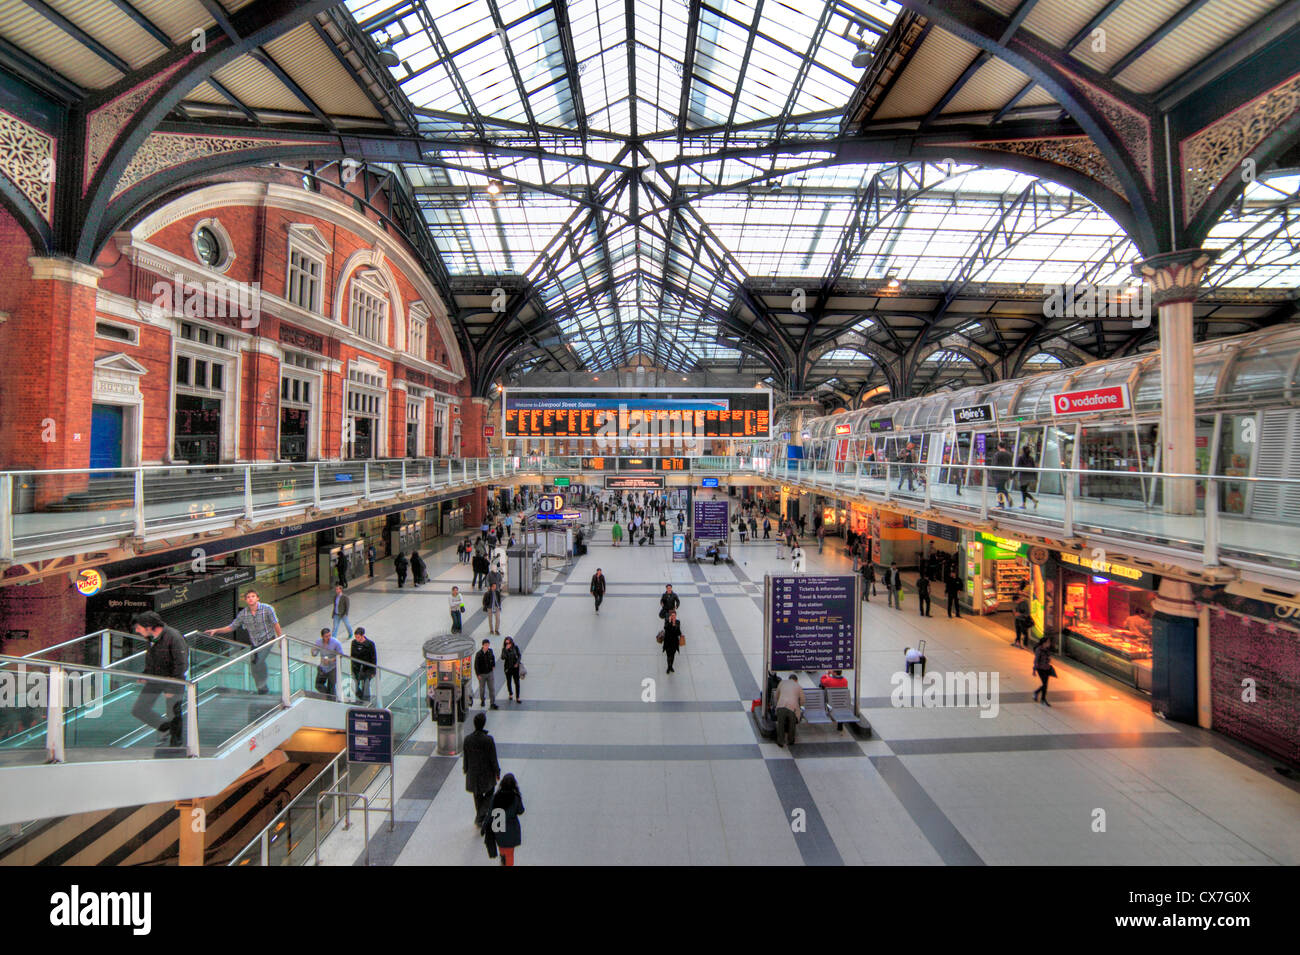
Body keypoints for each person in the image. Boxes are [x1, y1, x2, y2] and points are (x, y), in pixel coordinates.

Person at [205, 590, 282, 694]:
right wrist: (216, 630)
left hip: (268, 639)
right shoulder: (243, 614)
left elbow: (275, 624)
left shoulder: (267, 609)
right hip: (255, 642)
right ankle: (261, 688)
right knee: (254, 665)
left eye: (253, 596)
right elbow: (231, 627)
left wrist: (280, 639)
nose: (251, 598)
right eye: (248, 597)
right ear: (245, 600)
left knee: (259, 661)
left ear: (257, 598)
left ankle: (263, 686)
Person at [129, 611, 188, 747]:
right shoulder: (150, 638)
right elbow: (152, 659)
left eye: (139, 628)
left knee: (173, 712)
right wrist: (145, 674)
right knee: (139, 709)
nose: (137, 631)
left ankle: (176, 744)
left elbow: (181, 664)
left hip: (173, 681)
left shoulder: (173, 636)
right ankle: (165, 727)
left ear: (149, 626)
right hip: (155, 679)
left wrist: (172, 687)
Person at [463, 711, 500, 826]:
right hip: (486, 773)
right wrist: (497, 771)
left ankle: (480, 816)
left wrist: (466, 768)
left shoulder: (468, 739)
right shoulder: (488, 740)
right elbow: (493, 758)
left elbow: (466, 756)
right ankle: (480, 816)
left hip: (473, 773)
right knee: (490, 792)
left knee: (477, 794)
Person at [485, 773, 525, 866]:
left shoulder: (496, 797)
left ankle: (503, 863)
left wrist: (485, 826)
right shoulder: (515, 798)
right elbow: (521, 811)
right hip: (511, 830)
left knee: (503, 852)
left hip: (498, 829)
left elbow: (490, 812)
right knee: (510, 854)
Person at [311, 627, 344, 700]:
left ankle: (332, 699)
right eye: (326, 636)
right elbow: (314, 653)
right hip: (323, 667)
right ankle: (329, 697)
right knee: (318, 685)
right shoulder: (319, 642)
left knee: (331, 686)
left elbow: (341, 655)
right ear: (322, 637)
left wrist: (330, 660)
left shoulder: (335, 642)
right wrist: (313, 651)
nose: (328, 638)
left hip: (333, 667)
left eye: (329, 635)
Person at [773, 674, 804, 747]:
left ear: (789, 678)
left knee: (780, 724)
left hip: (781, 705)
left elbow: (776, 696)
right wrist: (799, 705)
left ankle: (780, 741)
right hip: (793, 707)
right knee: (792, 724)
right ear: (796, 680)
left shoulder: (782, 683)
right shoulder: (798, 686)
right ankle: (791, 740)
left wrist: (778, 703)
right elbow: (802, 700)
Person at [350, 627, 377, 703]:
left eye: (358, 637)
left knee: (366, 686)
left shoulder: (370, 644)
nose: (357, 639)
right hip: (357, 668)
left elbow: (373, 658)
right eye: (356, 637)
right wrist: (352, 669)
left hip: (367, 669)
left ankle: (366, 701)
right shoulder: (354, 643)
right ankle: (362, 698)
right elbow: (352, 657)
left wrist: (373, 671)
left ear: (362, 636)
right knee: (354, 686)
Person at [474, 638, 499, 709]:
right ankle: (482, 700)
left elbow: (493, 658)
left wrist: (493, 665)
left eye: (488, 645)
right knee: (482, 689)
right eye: (485, 645)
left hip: (490, 673)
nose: (487, 646)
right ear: (482, 645)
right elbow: (476, 665)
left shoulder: (490, 651)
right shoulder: (479, 654)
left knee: (492, 688)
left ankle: (492, 702)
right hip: (482, 674)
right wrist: (478, 674)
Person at [1032, 637, 1055, 705]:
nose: (1049, 643)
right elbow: (1036, 660)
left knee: (1045, 684)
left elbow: (1048, 657)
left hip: (1047, 668)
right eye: (1048, 642)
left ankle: (1040, 696)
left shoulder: (1047, 649)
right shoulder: (1039, 650)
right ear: (1044, 643)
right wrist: (1034, 670)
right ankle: (1042, 698)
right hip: (1040, 669)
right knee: (1045, 684)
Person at [992, 442, 1014, 508]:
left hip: (998, 474)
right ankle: (1008, 498)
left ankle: (1001, 503)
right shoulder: (1009, 454)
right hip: (1006, 474)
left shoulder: (997, 454)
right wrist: (1010, 475)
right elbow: (1010, 465)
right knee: (1002, 487)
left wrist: (992, 474)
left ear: (999, 446)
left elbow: (994, 464)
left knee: (999, 489)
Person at [501, 636, 523, 703]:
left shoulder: (515, 647)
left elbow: (519, 656)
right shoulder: (504, 649)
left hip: (515, 668)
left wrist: (517, 663)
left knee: (517, 682)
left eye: (509, 643)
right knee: (509, 681)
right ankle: (510, 693)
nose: (508, 644)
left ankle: (518, 697)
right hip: (508, 668)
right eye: (506, 643)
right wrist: (506, 650)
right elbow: (503, 657)